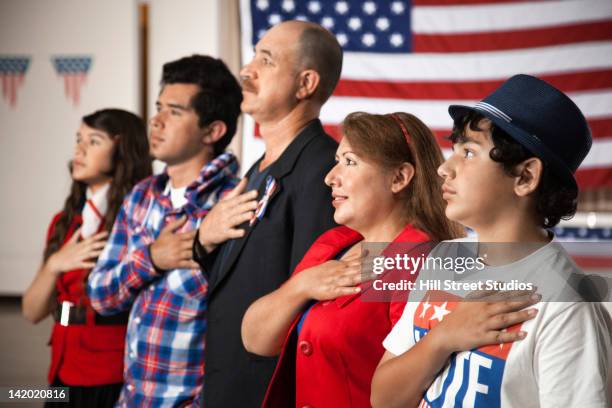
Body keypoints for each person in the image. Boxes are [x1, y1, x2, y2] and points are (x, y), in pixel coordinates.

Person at [372, 74, 612, 407]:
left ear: (526, 176)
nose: (445, 169)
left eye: (469, 153)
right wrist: (443, 337)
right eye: (454, 150)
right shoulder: (445, 256)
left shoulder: (566, 304)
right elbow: (383, 398)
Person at [241, 111, 466, 407]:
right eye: (337, 162)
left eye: (349, 162)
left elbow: (420, 389)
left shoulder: (422, 261)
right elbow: (256, 340)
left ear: (399, 177)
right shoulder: (334, 244)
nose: (330, 177)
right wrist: (301, 286)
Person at [192, 21, 342, 407]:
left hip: (267, 391)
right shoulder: (258, 167)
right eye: (253, 55)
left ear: (305, 84)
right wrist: (203, 240)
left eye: (266, 60)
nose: (246, 70)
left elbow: (313, 306)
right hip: (226, 382)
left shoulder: (324, 169)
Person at [87, 55, 242, 407]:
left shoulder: (233, 202)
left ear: (213, 131)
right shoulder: (141, 196)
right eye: (158, 108)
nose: (155, 121)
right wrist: (152, 259)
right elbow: (99, 295)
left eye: (174, 112)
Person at [22, 108, 151, 407]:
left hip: (112, 376)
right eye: (78, 140)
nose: (79, 149)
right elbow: (31, 312)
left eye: (93, 141)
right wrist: (55, 264)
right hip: (60, 373)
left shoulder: (136, 219)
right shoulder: (64, 222)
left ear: (122, 150)